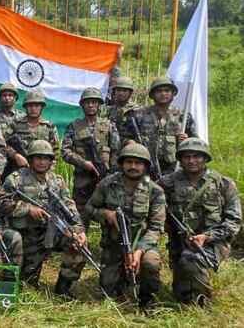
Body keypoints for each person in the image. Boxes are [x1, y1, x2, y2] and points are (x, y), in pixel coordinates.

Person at [158, 138, 242, 306]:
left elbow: (234, 221)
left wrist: (207, 236)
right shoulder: (167, 183)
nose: (191, 161)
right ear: (180, 159)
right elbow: (151, 206)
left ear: (205, 158)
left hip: (214, 242)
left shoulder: (223, 184)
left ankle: (203, 305)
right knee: (180, 291)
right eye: (186, 157)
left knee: (191, 259)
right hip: (180, 242)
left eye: (197, 156)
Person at [0, 140, 86, 296]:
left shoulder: (57, 181)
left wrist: (79, 230)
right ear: (30, 159)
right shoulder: (16, 178)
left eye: (46, 158)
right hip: (27, 235)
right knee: (27, 285)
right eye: (38, 158)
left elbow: (70, 206)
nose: (42, 162)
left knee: (78, 246)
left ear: (51, 161)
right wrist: (27, 209)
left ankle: (63, 289)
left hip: (52, 231)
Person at [86, 143, 166, 307]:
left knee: (150, 262)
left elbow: (156, 227)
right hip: (114, 244)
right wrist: (106, 214)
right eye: (129, 162)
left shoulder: (155, 191)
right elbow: (89, 208)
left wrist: (138, 251)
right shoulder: (107, 184)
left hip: (142, 244)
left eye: (138, 163)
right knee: (108, 290)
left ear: (145, 166)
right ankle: (121, 279)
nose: (133, 166)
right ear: (122, 163)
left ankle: (147, 299)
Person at [61, 87, 120, 228]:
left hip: (105, 177)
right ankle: (80, 242)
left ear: (99, 104)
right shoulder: (74, 126)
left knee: (108, 210)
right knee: (81, 212)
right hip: (83, 179)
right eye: (87, 102)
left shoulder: (109, 125)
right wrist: (83, 163)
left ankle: (109, 245)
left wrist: (111, 174)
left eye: (94, 102)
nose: (91, 105)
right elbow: (65, 152)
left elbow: (116, 151)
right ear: (82, 105)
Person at [127, 76, 197, 178]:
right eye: (159, 91)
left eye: (167, 91)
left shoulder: (183, 116)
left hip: (175, 168)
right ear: (152, 95)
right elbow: (126, 137)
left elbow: (195, 143)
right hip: (144, 166)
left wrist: (186, 140)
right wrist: (131, 143)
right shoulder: (138, 115)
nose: (163, 94)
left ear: (173, 94)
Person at [6, 89, 60, 164]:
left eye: (37, 106)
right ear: (25, 107)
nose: (33, 109)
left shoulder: (49, 127)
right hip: (19, 167)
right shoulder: (15, 124)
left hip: (42, 168)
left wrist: (50, 168)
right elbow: (5, 145)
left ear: (42, 107)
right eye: (30, 106)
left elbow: (55, 151)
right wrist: (15, 155)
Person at [103, 76, 139, 145]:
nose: (121, 93)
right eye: (118, 90)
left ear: (130, 93)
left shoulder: (137, 111)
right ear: (114, 92)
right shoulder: (107, 110)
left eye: (124, 91)